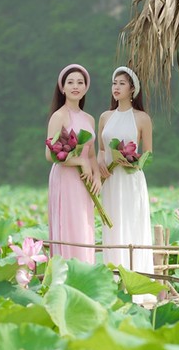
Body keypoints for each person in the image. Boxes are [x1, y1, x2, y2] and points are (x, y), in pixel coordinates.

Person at [98, 66, 154, 300]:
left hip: (131, 180)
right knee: (113, 226)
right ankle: (112, 281)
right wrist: (102, 161)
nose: (116, 87)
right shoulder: (105, 117)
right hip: (110, 180)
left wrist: (134, 163)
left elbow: (148, 153)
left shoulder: (142, 118)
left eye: (121, 83)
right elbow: (101, 149)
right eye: (114, 83)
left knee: (131, 224)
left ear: (132, 89)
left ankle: (136, 280)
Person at [46, 64, 101, 263]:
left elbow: (92, 155)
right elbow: (49, 154)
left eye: (80, 82)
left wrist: (97, 177)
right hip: (65, 178)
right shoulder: (59, 116)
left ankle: (85, 269)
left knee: (83, 225)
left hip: (84, 181)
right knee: (68, 224)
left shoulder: (89, 119)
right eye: (70, 82)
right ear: (62, 88)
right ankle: (66, 274)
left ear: (86, 87)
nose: (75, 86)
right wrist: (79, 160)